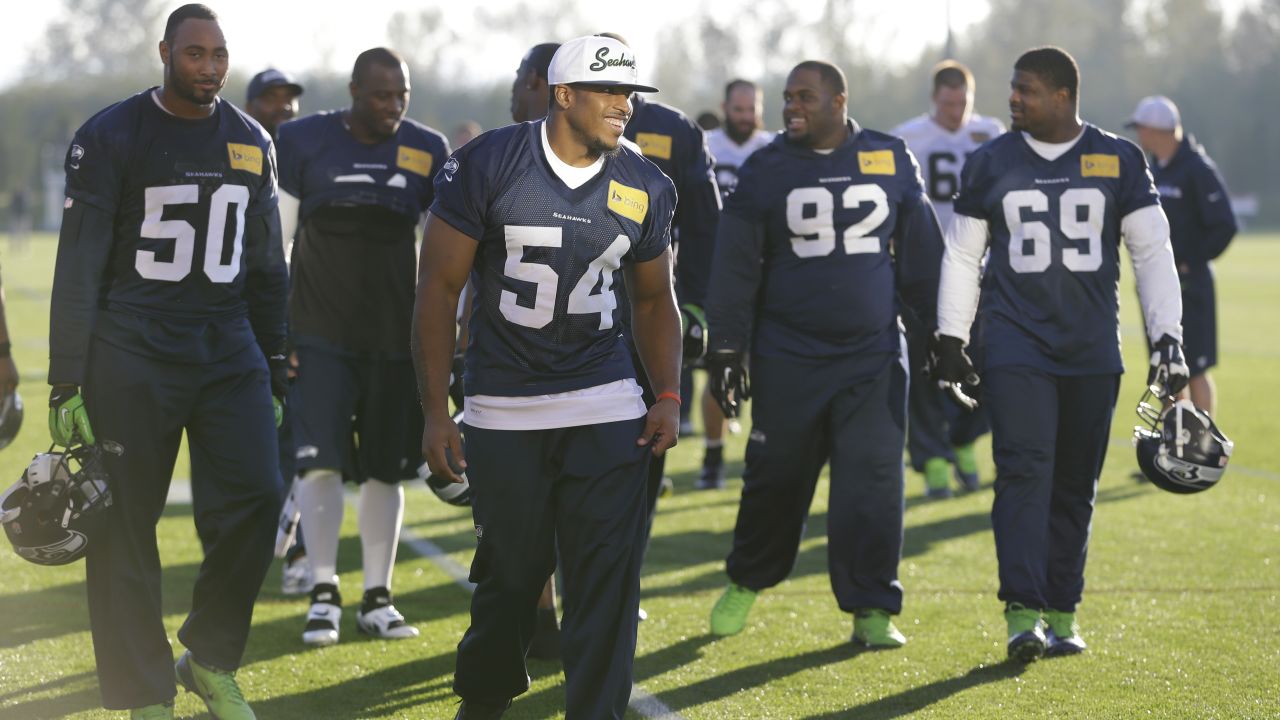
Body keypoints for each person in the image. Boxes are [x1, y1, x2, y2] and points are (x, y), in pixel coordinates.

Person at [413, 34, 680, 719]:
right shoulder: (489, 163)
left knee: (605, 591)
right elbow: (438, 291)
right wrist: (438, 412)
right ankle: (483, 702)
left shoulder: (645, 183)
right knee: (508, 585)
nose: (624, 106)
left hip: (606, 403)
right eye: (608, 92)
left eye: (630, 93)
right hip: (506, 409)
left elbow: (654, 300)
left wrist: (670, 394)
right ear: (564, 95)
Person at [48, 4, 287, 717]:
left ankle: (207, 657)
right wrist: (67, 379)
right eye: (194, 54)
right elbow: (79, 264)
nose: (209, 67)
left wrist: (274, 361)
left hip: (226, 347)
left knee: (258, 497)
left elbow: (269, 267)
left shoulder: (251, 142)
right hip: (133, 348)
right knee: (123, 525)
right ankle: (144, 691)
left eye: (219, 55)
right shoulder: (112, 134)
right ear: (165, 53)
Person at [932, 47, 1185, 662]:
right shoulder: (991, 161)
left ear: (1064, 97)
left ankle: (1063, 609)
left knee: (1075, 485)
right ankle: (1023, 611)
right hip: (1017, 344)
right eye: (1013, 89)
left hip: (1093, 347)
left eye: (1027, 91)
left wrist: (1168, 338)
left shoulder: (1119, 158)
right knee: (1022, 472)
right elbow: (964, 255)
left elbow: (1152, 253)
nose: (1013, 99)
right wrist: (949, 337)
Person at [704, 60, 945, 649]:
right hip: (790, 353)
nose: (791, 108)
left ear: (840, 101)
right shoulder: (767, 166)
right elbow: (735, 266)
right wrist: (728, 346)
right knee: (776, 479)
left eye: (805, 97)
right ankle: (747, 577)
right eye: (787, 97)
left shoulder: (890, 156)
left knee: (873, 485)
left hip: (873, 353)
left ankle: (871, 607)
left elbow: (922, 258)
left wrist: (944, 335)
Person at [275, 47, 449, 647]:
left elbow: (446, 255)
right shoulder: (303, 141)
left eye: (402, 94)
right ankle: (323, 592)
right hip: (319, 336)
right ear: (354, 90)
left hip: (394, 342)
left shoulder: (428, 149)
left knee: (385, 470)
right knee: (319, 463)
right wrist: (281, 332)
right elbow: (279, 243)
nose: (394, 106)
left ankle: (378, 596)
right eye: (382, 95)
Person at [891, 60, 1004, 498]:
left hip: (977, 267)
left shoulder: (991, 133)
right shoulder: (909, 137)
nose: (955, 111)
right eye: (948, 102)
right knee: (922, 367)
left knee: (988, 361)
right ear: (934, 99)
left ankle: (963, 439)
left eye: (962, 102)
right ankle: (933, 458)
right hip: (925, 271)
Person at [244, 65, 312, 596]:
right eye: (272, 98)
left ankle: (299, 553)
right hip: (235, 319)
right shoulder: (233, 152)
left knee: (300, 441)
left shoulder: (309, 162)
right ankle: (239, 542)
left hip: (296, 319)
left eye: (290, 99)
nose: (284, 108)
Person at [1126, 95, 1236, 416]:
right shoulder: (1154, 170)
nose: (1138, 136)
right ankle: (1172, 451)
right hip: (1157, 286)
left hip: (1192, 286)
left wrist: (1191, 260)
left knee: (1195, 367)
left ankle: (1199, 450)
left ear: (1157, 130)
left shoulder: (1197, 168)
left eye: (1141, 129)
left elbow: (1224, 226)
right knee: (1166, 366)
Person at [698, 77, 772, 489]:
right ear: (725, 108)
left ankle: (760, 451)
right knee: (718, 368)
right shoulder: (703, 143)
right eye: (738, 109)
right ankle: (712, 454)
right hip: (717, 272)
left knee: (768, 371)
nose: (745, 118)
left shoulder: (774, 147)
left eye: (752, 110)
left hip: (766, 274)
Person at [245, 68, 303, 139]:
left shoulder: (309, 145)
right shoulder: (235, 146)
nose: (283, 106)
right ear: (249, 108)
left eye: (289, 99)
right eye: (271, 99)